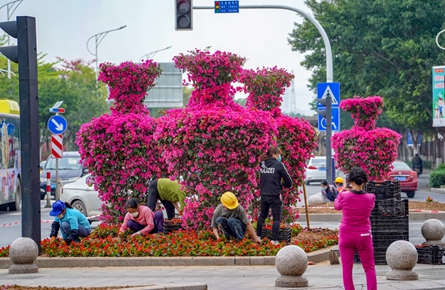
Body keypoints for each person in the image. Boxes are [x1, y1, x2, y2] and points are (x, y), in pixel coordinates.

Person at [334, 167, 377, 290]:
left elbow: (337, 207)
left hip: (346, 235)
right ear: (364, 182)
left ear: (350, 181)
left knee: (347, 269)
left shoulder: (344, 196)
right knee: (369, 268)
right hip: (364, 235)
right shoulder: (370, 197)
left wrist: (341, 192)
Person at [256, 147, 292, 245]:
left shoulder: (262, 165)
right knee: (276, 218)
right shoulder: (279, 165)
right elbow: (289, 181)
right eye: (279, 154)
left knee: (262, 215)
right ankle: (274, 240)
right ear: (275, 154)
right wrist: (283, 186)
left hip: (264, 194)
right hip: (275, 195)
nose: (280, 156)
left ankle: (258, 236)